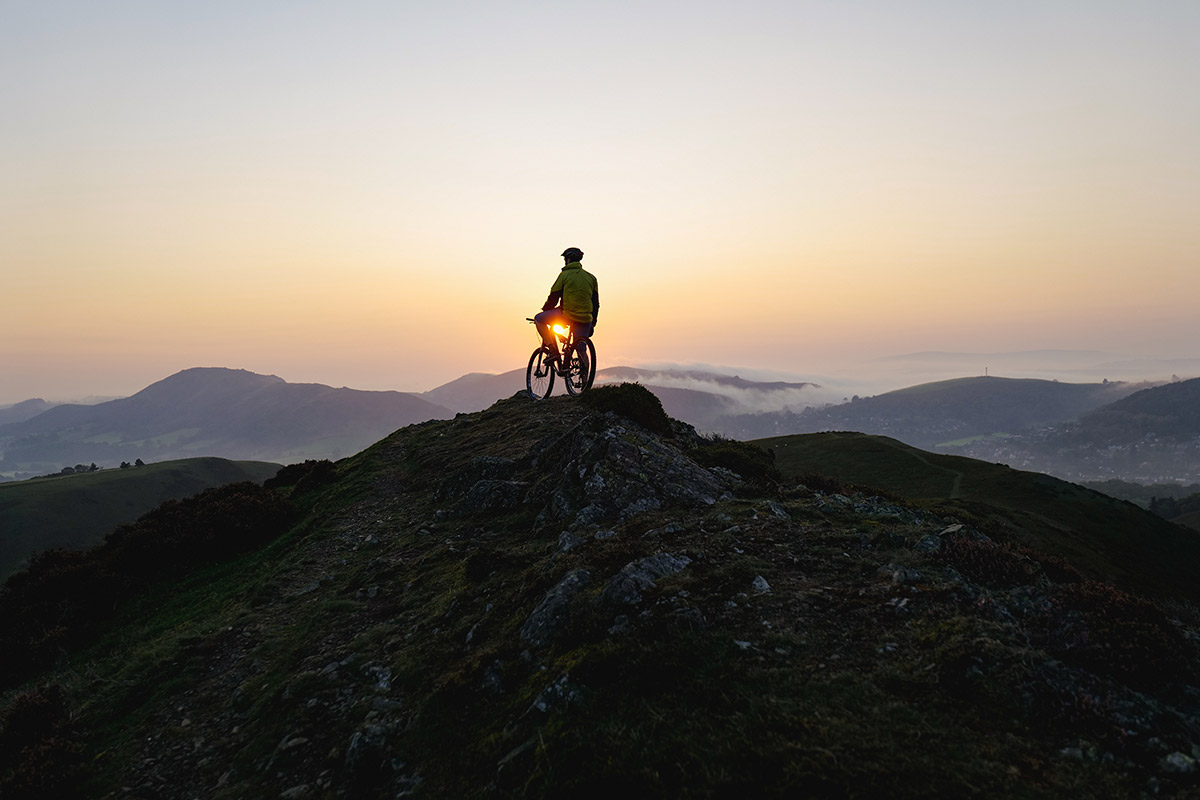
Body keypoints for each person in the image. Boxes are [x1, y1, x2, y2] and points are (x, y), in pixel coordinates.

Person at [535, 247, 599, 365]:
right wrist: (593, 321)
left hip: (567, 314)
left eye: (565, 259)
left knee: (538, 319)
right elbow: (596, 303)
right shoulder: (591, 278)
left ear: (568, 260)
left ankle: (553, 351)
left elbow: (554, 296)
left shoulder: (565, 275)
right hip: (586, 318)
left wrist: (546, 309)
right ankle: (585, 380)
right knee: (581, 349)